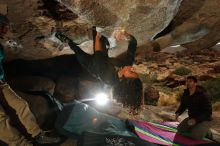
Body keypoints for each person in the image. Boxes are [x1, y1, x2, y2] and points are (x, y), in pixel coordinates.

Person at [0, 14, 60, 146]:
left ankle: (38, 135)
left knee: (21, 104)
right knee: (1, 120)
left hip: (1, 84)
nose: (5, 31)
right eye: (3, 28)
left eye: (5, 28)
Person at [55, 27, 143, 113]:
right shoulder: (127, 64)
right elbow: (133, 43)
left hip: (94, 66)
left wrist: (97, 35)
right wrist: (125, 34)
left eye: (131, 72)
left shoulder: (109, 78)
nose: (132, 68)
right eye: (134, 71)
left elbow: (98, 54)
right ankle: (105, 42)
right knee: (102, 39)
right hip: (104, 59)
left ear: (124, 80)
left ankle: (67, 41)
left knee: (78, 51)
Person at [175, 76, 212, 140]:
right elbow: (183, 105)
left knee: (196, 136)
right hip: (192, 118)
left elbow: (208, 112)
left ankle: (208, 132)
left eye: (190, 81)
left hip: (204, 119)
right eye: (187, 81)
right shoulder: (186, 93)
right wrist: (178, 113)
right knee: (180, 130)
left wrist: (196, 120)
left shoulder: (203, 94)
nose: (188, 83)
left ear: (195, 83)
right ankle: (197, 128)